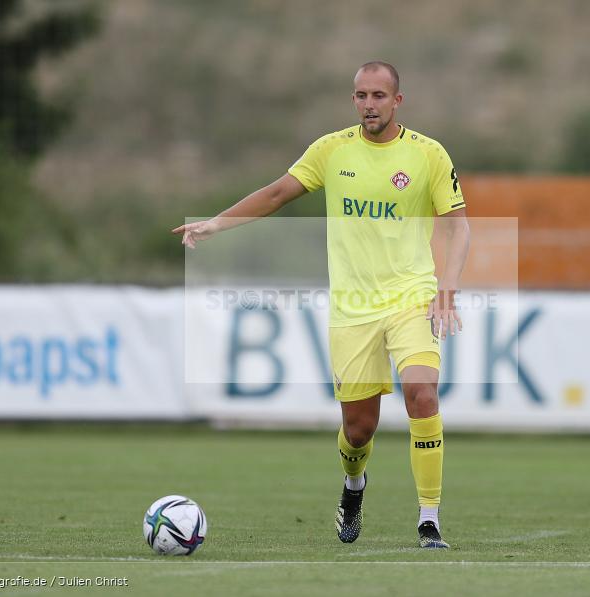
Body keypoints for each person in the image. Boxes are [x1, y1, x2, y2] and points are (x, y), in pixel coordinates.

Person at [173, 61, 470, 549]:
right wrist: (215, 224)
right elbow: (276, 194)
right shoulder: (332, 150)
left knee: (423, 394)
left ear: (398, 101)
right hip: (353, 309)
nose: (369, 104)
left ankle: (429, 520)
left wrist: (448, 287)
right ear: (353, 99)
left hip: (411, 297)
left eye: (379, 95)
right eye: (361, 95)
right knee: (359, 429)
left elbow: (458, 224)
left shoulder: (428, 154)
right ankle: (353, 485)